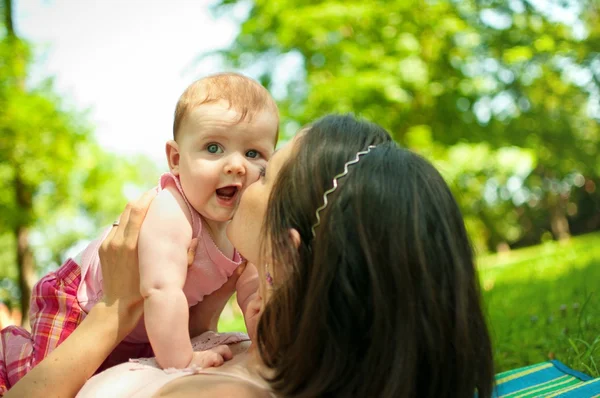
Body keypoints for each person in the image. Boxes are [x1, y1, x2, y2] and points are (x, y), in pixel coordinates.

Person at [4, 114, 495, 398]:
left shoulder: (226, 395)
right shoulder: (271, 353)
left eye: (264, 169)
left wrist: (113, 310)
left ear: (285, 251)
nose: (241, 173)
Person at [0, 72, 280, 393]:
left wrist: (264, 333)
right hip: (80, 305)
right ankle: (12, 356)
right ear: (176, 159)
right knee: (49, 379)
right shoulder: (172, 210)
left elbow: (253, 289)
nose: (236, 165)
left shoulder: (247, 223)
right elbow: (162, 290)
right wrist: (183, 360)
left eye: (253, 153)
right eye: (214, 148)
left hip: (143, 326)